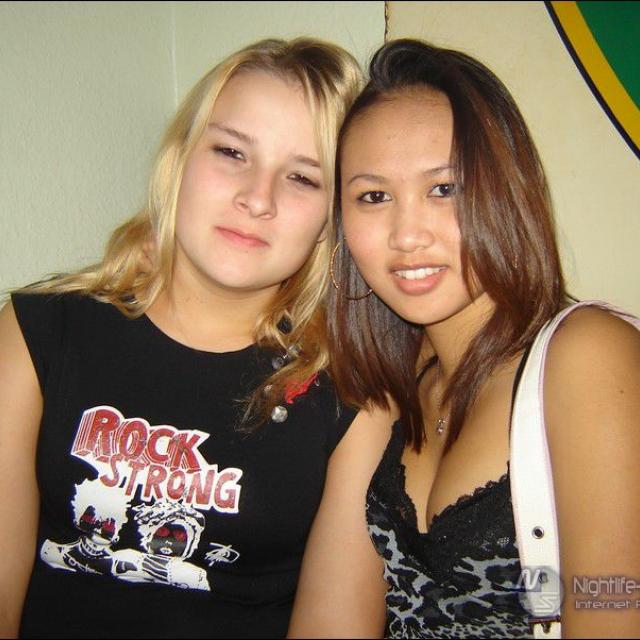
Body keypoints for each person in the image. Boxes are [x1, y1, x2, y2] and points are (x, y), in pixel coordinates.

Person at [0, 37, 377, 639]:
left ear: (332, 218)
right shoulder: (37, 331)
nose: (257, 198)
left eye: (302, 178)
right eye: (232, 151)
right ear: (179, 159)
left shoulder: (357, 399)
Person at [288, 39, 640, 638]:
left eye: (444, 188)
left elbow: (616, 605)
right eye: (374, 196)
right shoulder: (389, 386)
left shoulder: (587, 356)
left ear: (507, 190)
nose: (407, 235)